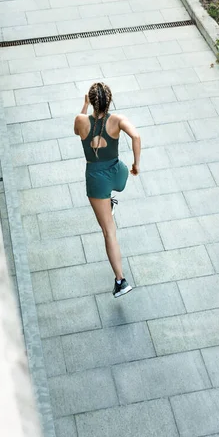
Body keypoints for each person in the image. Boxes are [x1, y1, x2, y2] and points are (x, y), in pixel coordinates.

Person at [74, 82, 141, 298]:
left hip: (97, 179)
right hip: (117, 174)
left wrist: (84, 107)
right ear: (109, 101)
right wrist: (136, 165)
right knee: (114, 186)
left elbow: (78, 129)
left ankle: (120, 281)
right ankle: (109, 202)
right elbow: (136, 137)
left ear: (92, 102)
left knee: (108, 231)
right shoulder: (118, 120)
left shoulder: (81, 120)